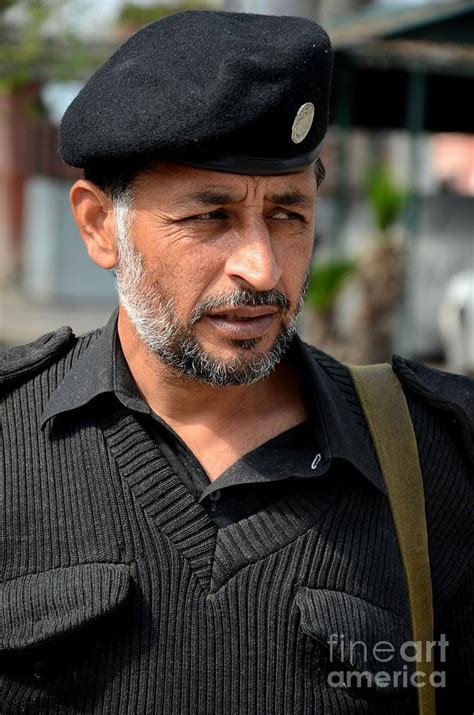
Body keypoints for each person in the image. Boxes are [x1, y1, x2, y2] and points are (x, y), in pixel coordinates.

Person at [0, 10, 472, 715]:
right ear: (101, 227)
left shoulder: (440, 456)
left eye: (288, 213)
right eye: (210, 216)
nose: (261, 266)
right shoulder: (9, 441)